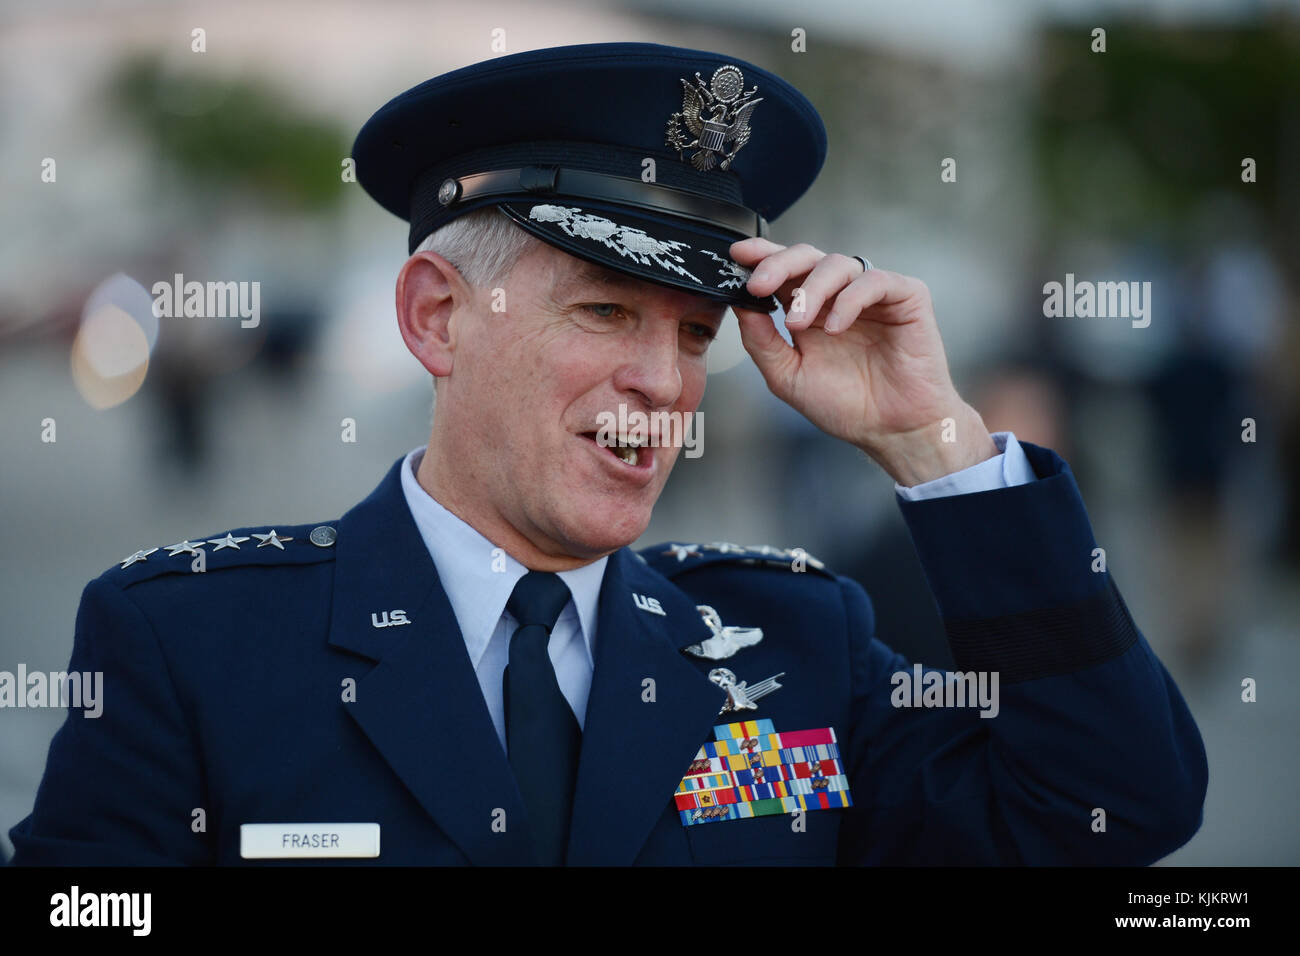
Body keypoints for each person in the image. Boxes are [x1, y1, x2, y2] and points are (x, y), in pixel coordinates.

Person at [9, 42, 1206, 866]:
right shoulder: (190, 644)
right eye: (603, 312)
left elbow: (1113, 808)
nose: (663, 380)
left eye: (694, 333)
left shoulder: (798, 646)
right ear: (435, 316)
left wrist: (931, 444)